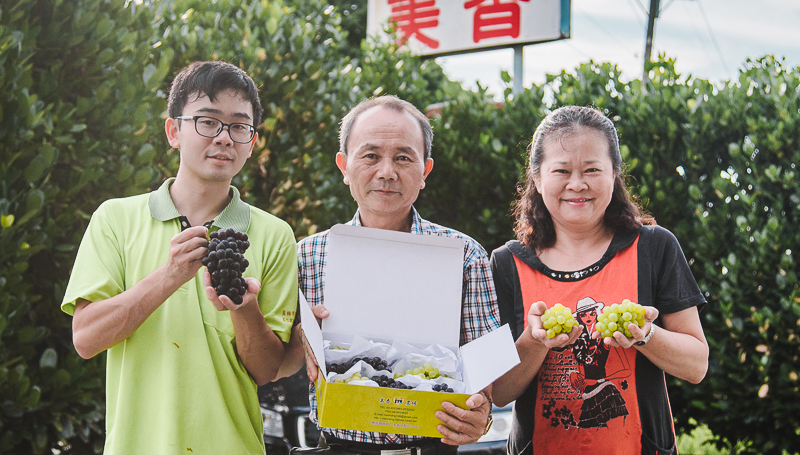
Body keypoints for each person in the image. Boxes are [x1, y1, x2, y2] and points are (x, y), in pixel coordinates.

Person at [61, 61, 299, 455]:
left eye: (239, 126)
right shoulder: (115, 219)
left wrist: (244, 308)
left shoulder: (275, 235)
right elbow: (86, 339)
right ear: (174, 131)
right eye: (208, 121)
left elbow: (266, 370)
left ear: (251, 142)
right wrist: (169, 276)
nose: (224, 138)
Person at [278, 95, 500, 454]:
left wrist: (481, 415)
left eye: (403, 157)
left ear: (425, 171)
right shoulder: (306, 256)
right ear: (344, 166)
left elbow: (484, 371)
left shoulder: (465, 257)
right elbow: (277, 361)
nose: (386, 171)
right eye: (370, 155)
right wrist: (301, 338)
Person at [490, 105, 708, 455]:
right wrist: (535, 341)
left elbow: (697, 364)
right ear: (537, 177)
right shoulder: (506, 263)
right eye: (561, 170)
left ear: (614, 174)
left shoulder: (653, 247)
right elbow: (498, 390)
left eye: (592, 169)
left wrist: (646, 335)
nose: (577, 184)